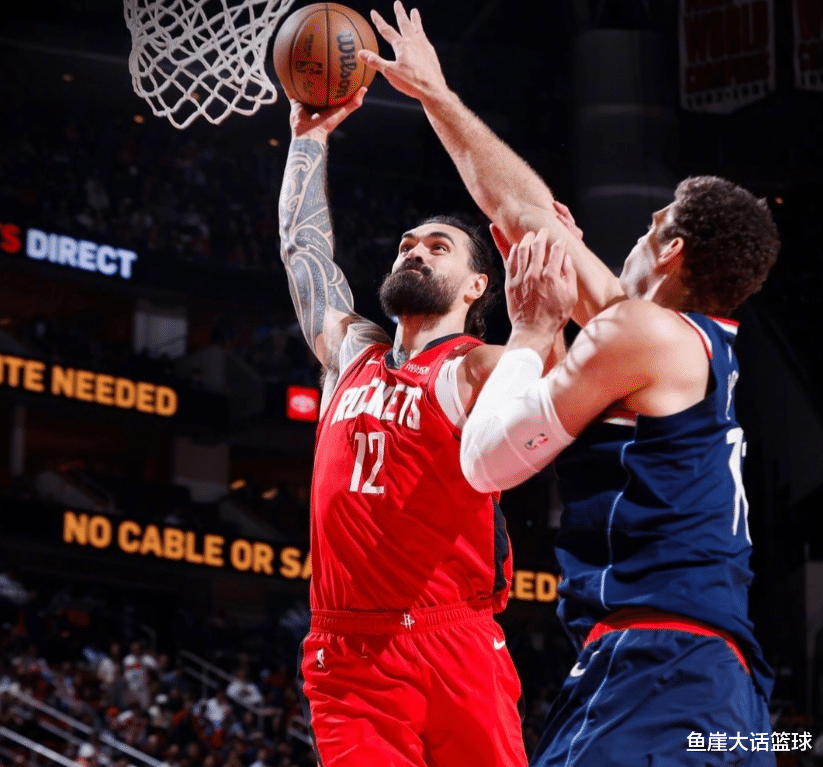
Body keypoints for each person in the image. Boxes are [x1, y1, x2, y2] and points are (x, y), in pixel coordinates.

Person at [361, 4, 780, 765]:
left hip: (658, 668)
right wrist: (436, 96)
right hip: (725, 689)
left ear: (671, 250)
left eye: (648, 227)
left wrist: (529, 329)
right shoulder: (681, 346)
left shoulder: (644, 333)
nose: (632, 239)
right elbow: (524, 213)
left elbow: (487, 462)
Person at [277, 82, 536, 766]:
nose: (414, 252)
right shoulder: (351, 353)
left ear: (477, 286)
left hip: (453, 638)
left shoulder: (476, 366)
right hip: (346, 653)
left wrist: (540, 314)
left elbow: (557, 383)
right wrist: (308, 141)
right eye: (406, 245)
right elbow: (303, 253)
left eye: (438, 247)